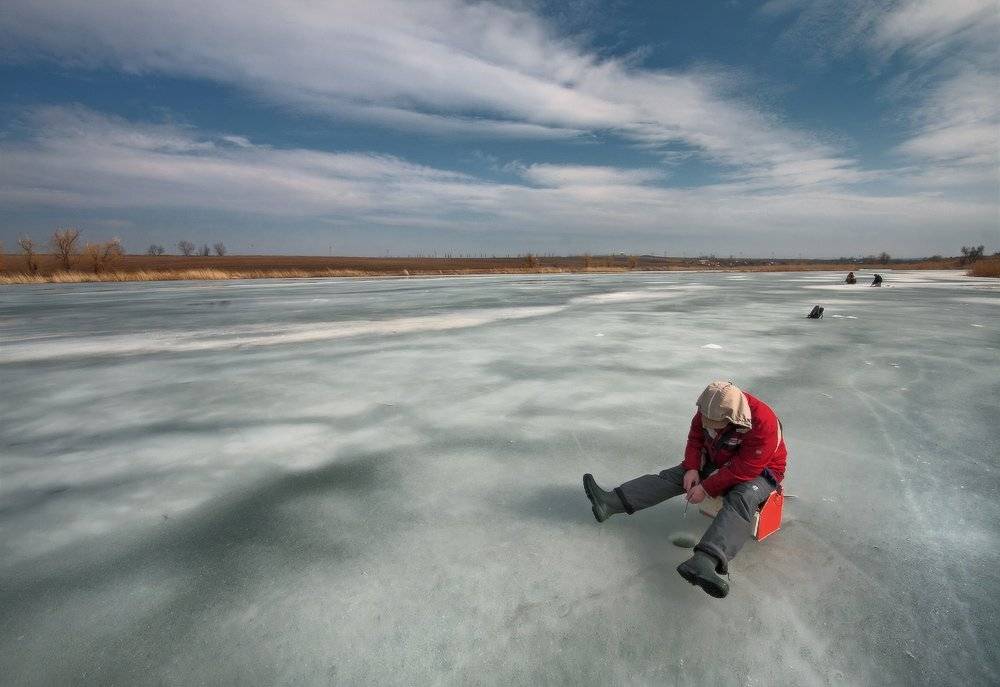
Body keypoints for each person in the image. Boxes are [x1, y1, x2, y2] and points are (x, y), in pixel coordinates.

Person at [582, 381, 787, 598]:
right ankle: (611, 503)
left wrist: (706, 488)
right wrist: (691, 468)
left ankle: (706, 560)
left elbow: (745, 469)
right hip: (720, 457)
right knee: (680, 476)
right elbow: (696, 438)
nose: (710, 425)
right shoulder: (710, 406)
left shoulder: (764, 422)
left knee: (743, 497)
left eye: (716, 424)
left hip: (761, 470)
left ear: (732, 417)